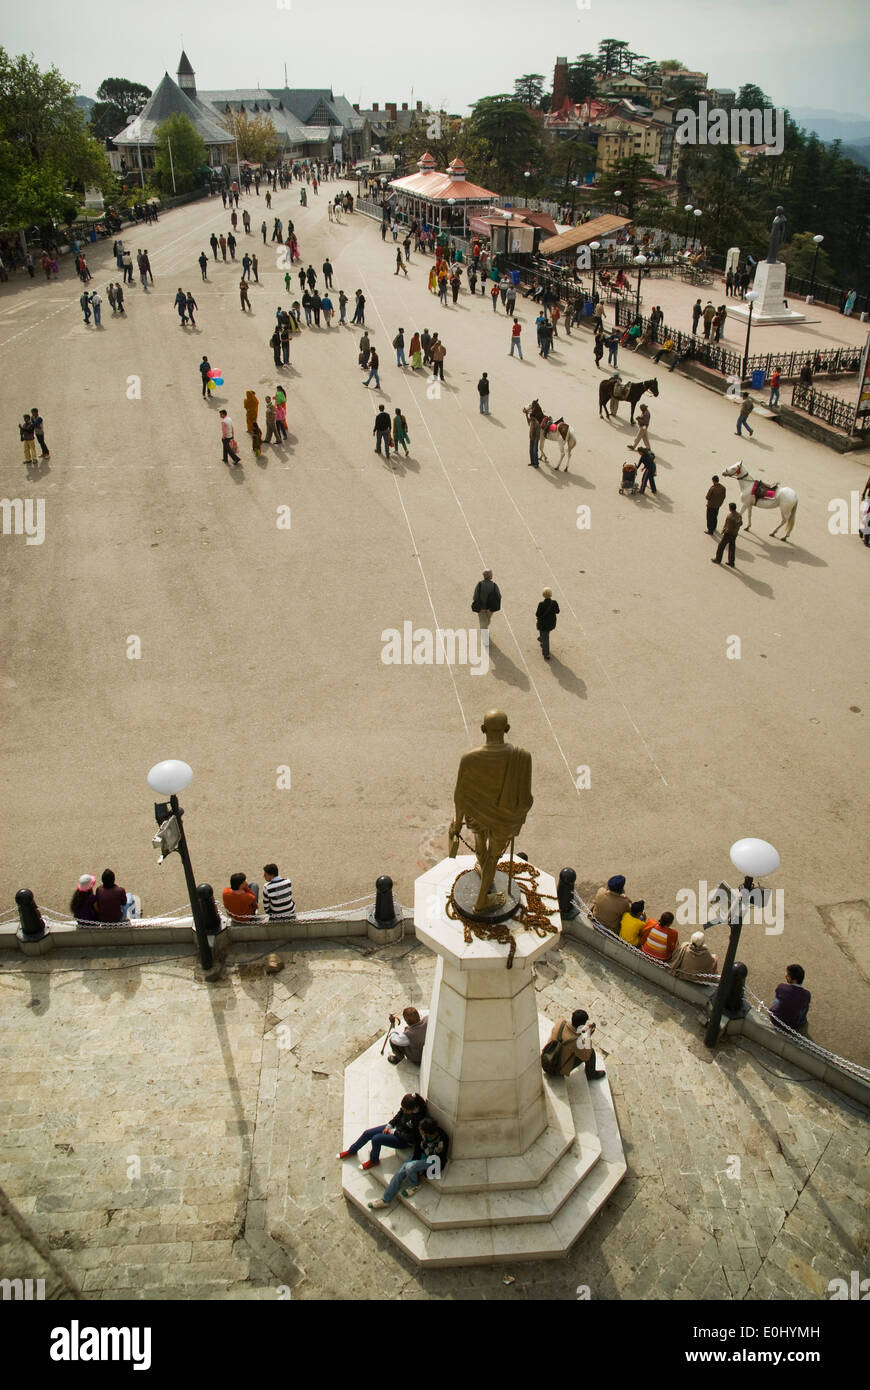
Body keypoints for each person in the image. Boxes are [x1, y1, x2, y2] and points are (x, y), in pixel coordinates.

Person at [369, 1115, 450, 1208]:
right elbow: (418, 1149)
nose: (418, 1130)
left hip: (434, 1160)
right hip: (422, 1155)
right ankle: (385, 1199)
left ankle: (414, 1185)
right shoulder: (422, 1134)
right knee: (400, 1173)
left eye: (420, 1129)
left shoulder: (443, 1139)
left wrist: (422, 1170)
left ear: (427, 1132)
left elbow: (439, 1158)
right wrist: (416, 1160)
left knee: (410, 1167)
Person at [338, 1092, 427, 1168]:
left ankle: (374, 1161)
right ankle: (352, 1151)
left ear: (412, 1109)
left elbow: (411, 1137)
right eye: (402, 1108)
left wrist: (394, 1132)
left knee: (376, 1139)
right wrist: (390, 1125)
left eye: (405, 1110)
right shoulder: (407, 1107)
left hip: (404, 1140)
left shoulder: (420, 1119)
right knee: (367, 1133)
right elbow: (398, 1115)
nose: (403, 1111)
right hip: (397, 1128)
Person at [544, 1009, 606, 1080]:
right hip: (556, 1070)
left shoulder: (560, 1023)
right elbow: (586, 1057)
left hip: (547, 1059)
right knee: (591, 1052)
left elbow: (569, 1033)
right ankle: (591, 1074)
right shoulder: (576, 1042)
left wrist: (583, 1030)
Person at [769, 964, 811, 1032]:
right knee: (805, 1006)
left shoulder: (781, 986)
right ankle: (803, 1021)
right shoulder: (807, 994)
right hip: (792, 1026)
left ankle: (776, 1010)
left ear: (794, 980)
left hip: (774, 1019)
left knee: (779, 997)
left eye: (788, 975)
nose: (786, 976)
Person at [712, 502, 742, 567]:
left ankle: (718, 559)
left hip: (728, 534)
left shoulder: (730, 516)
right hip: (735, 534)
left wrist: (724, 530)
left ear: (730, 508)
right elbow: (741, 523)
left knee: (721, 546)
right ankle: (731, 562)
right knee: (732, 547)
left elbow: (728, 526)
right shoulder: (739, 515)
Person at [535, 587, 559, 660]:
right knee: (546, 635)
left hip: (543, 624)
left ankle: (546, 654)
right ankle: (541, 638)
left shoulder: (541, 604)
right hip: (551, 623)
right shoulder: (554, 602)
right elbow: (557, 611)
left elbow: (537, 614)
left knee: (546, 639)